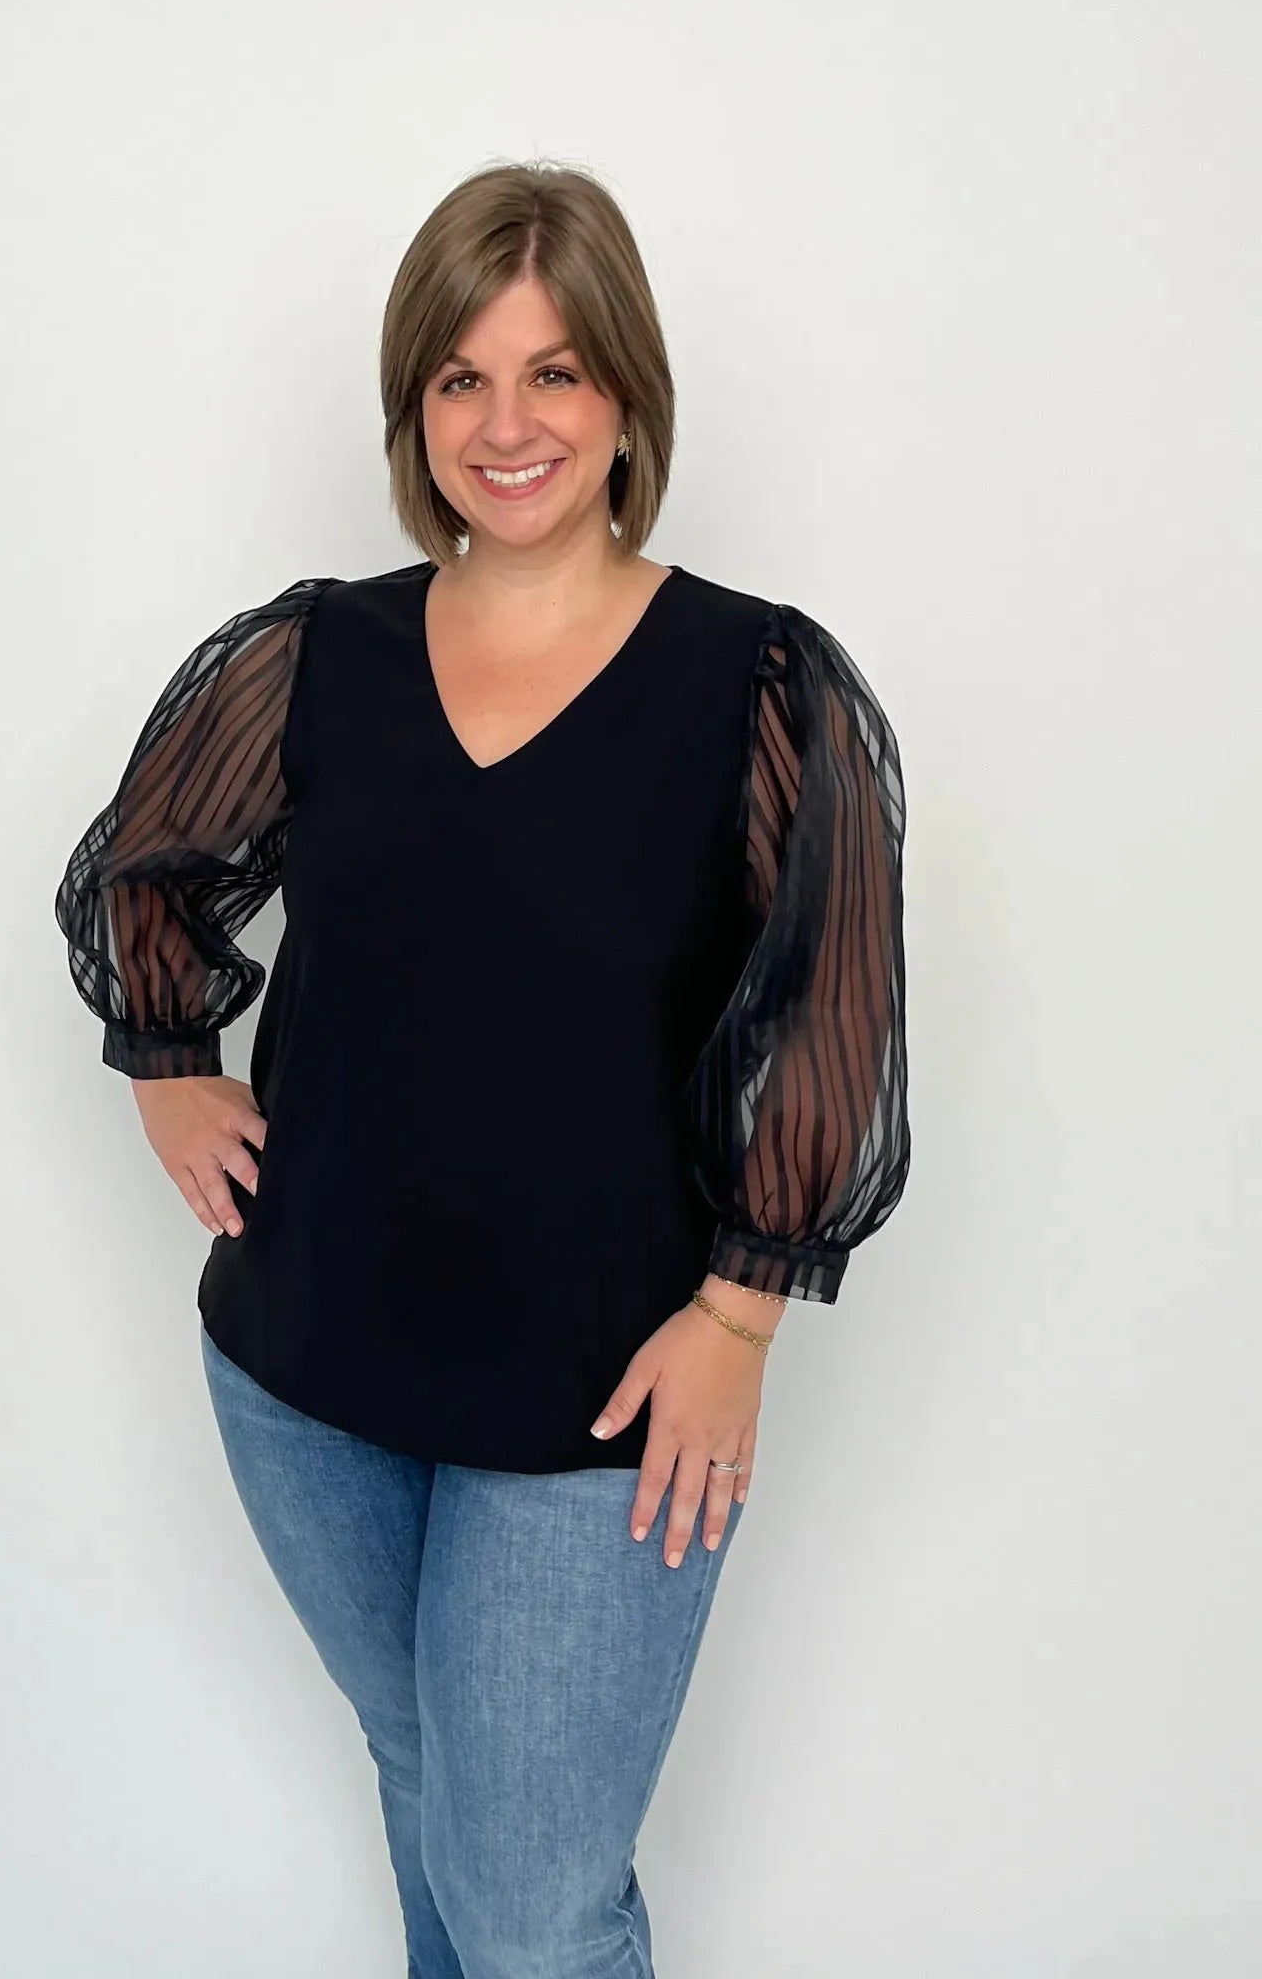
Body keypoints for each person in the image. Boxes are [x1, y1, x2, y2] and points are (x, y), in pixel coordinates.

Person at [54, 158, 911, 1978]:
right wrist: (167, 1065)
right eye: (462, 377)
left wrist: (741, 1322)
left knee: (532, 1902)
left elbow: (832, 1016)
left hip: (598, 1407)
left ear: (627, 397)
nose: (507, 425)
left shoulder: (759, 685)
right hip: (304, 1367)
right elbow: (144, 867)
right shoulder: (319, 653)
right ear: (414, 408)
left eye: (554, 373)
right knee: (431, 1786)